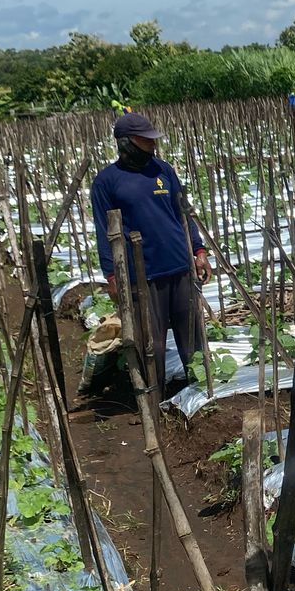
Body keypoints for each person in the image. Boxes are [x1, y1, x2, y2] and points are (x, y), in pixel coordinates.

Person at [89, 111, 211, 395]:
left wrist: (198, 249)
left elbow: (184, 212)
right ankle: (153, 399)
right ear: (127, 143)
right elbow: (103, 232)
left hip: (180, 266)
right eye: (146, 142)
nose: (152, 146)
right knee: (150, 343)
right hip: (141, 275)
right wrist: (111, 275)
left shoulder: (164, 170)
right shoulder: (107, 182)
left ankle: (203, 395)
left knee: (192, 335)